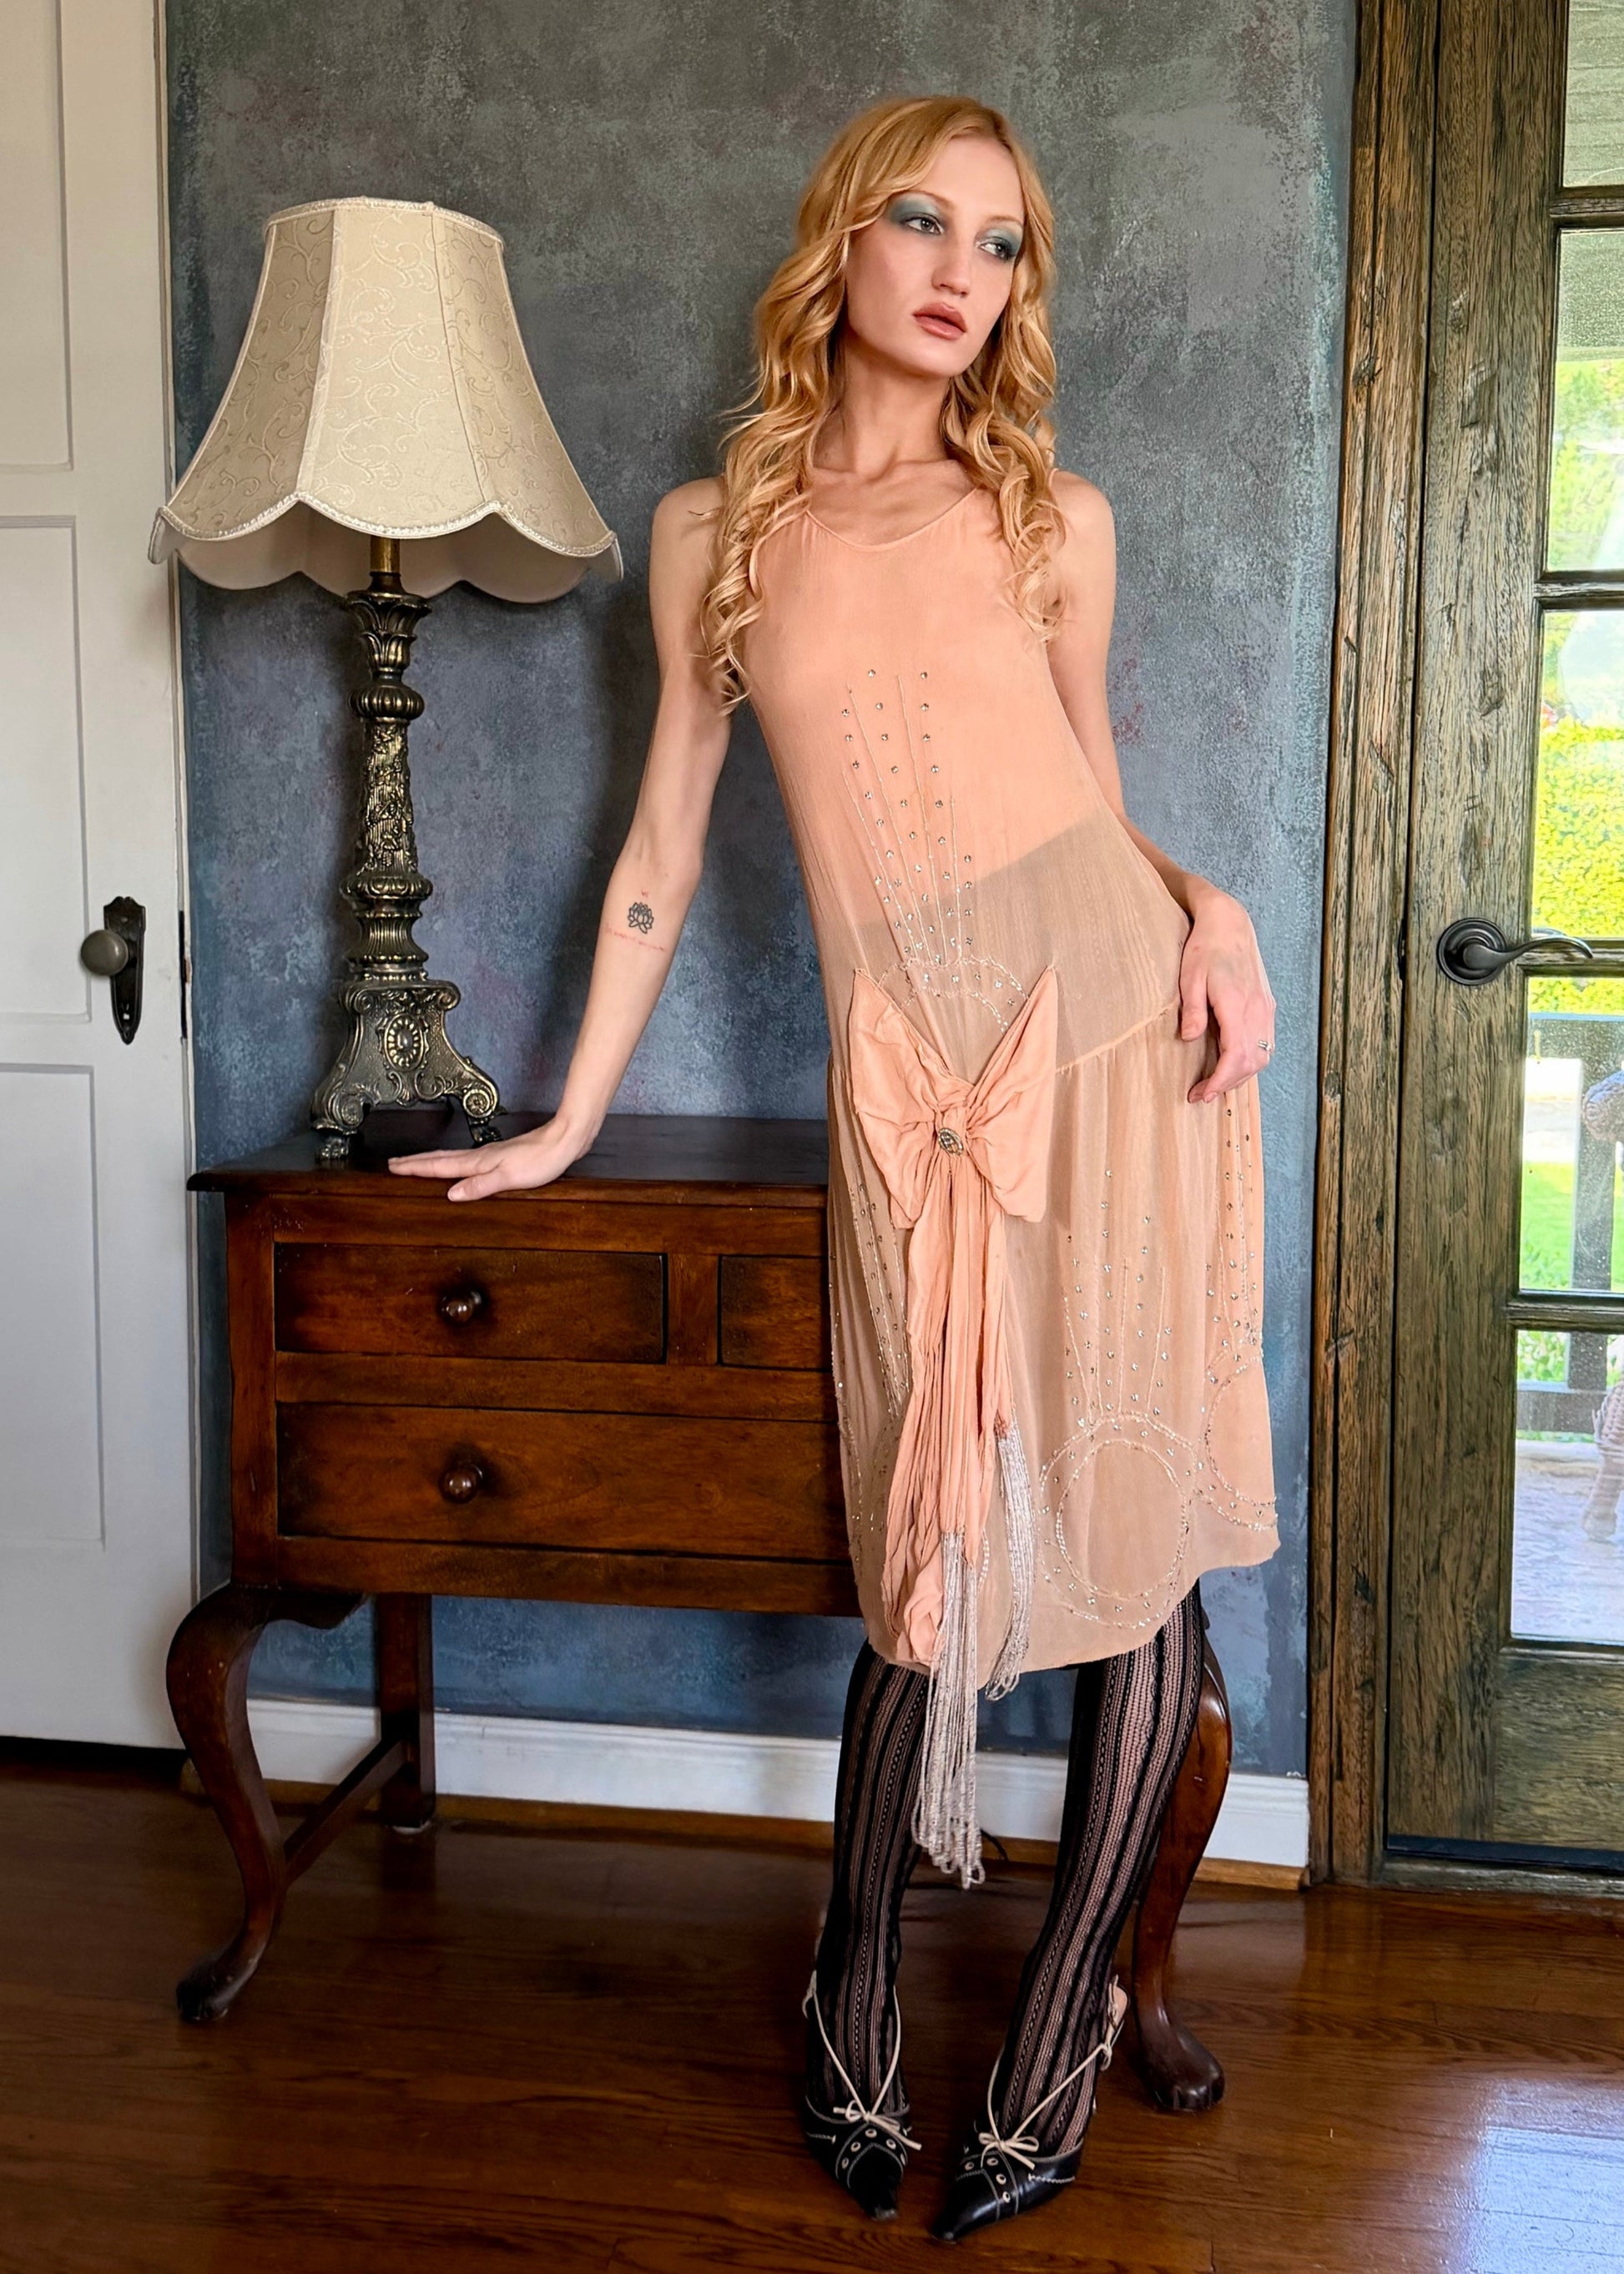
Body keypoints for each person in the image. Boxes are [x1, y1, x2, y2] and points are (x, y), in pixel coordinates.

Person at [390, 93, 1280, 2242]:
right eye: (922, 218)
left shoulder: (1059, 514)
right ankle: (851, 1989)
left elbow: (1093, 788)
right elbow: (664, 853)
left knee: (1132, 1540)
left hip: (1114, 1042)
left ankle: (1062, 2018)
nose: (963, 268)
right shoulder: (716, 530)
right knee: (928, 1529)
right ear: (843, 247)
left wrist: (1210, 906)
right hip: (914, 1085)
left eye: (1003, 240)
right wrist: (577, 1116)